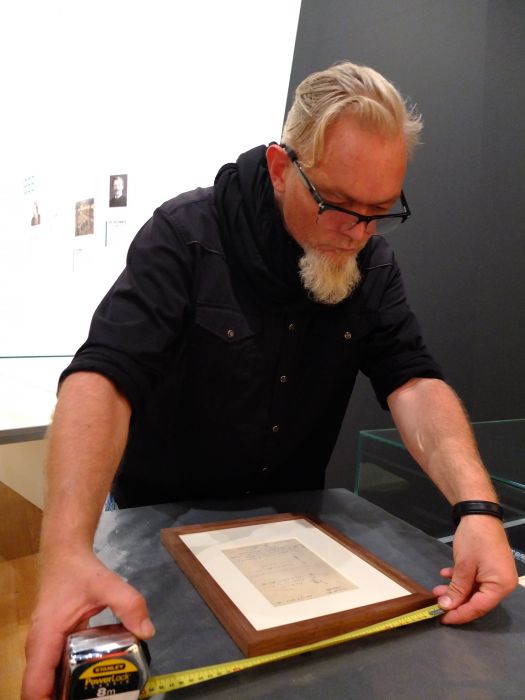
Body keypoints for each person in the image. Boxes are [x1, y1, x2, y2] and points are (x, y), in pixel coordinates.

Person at [22, 62, 518, 700]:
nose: (357, 233)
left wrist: (477, 508)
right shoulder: (185, 235)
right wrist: (66, 550)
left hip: (294, 535)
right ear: (282, 168)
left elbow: (414, 380)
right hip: (156, 524)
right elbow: (104, 376)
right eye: (338, 205)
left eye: (379, 211)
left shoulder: (371, 260)